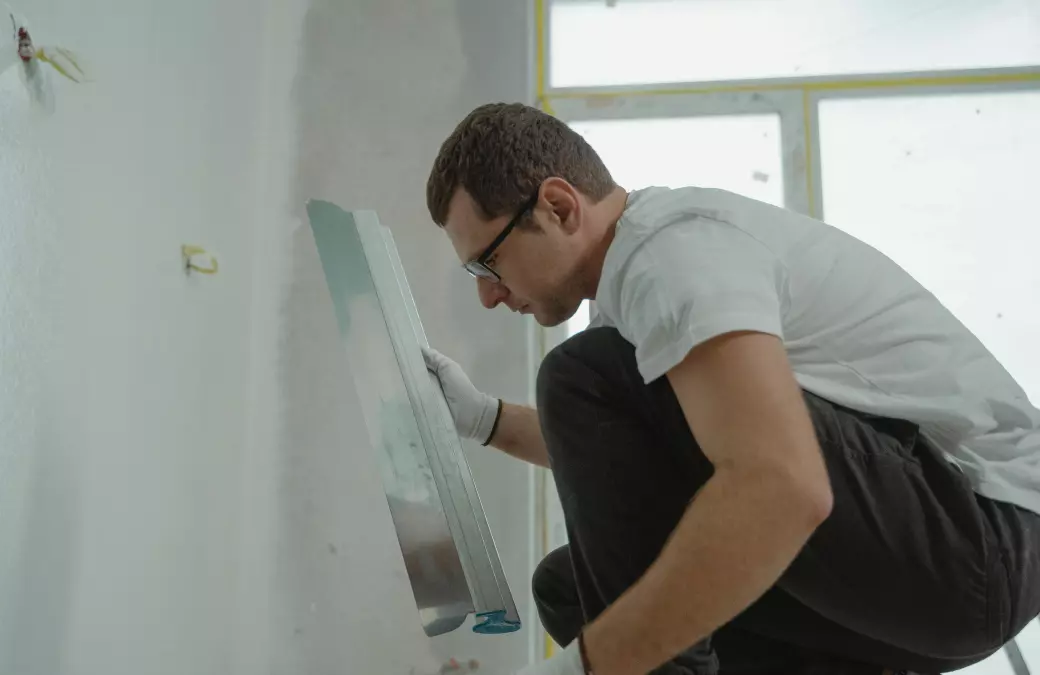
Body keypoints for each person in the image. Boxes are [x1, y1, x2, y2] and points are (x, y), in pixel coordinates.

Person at [421, 102, 1040, 675]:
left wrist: (581, 669)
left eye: (487, 262)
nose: (487, 294)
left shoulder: (672, 254)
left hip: (980, 534)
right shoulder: (629, 302)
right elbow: (651, 447)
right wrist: (484, 420)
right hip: (926, 583)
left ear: (558, 206)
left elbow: (784, 485)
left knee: (578, 376)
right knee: (570, 592)